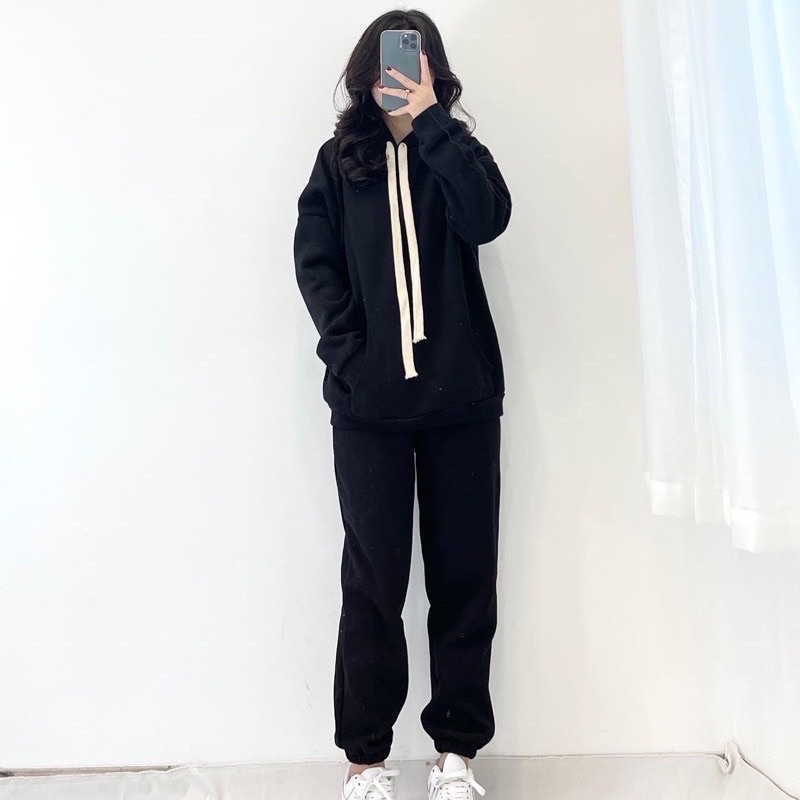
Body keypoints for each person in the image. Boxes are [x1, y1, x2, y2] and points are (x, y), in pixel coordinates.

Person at [293, 10, 512, 800]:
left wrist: (429, 124)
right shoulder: (336, 162)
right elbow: (316, 267)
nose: (401, 75)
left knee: (465, 579)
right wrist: (350, 355)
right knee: (373, 585)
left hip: (462, 401)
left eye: (415, 64)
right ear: (367, 71)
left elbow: (487, 218)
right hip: (369, 408)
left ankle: (456, 757)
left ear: (433, 71)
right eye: (391, 64)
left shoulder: (458, 151)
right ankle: (366, 762)